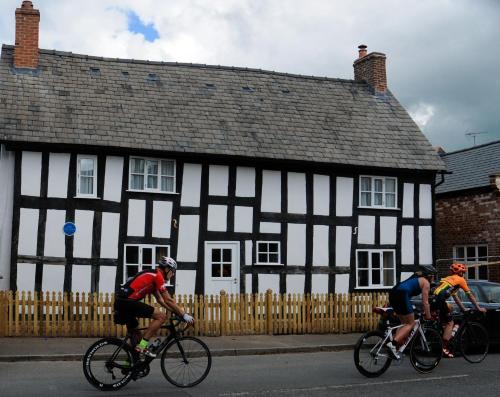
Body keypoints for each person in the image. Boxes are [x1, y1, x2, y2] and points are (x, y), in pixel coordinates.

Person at [114, 256, 194, 357]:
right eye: (173, 271)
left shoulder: (153, 276)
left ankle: (130, 364)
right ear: (167, 269)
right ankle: (142, 347)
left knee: (136, 336)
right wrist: (184, 314)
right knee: (161, 317)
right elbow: (168, 299)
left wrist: (175, 312)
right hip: (127, 302)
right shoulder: (157, 276)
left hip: (122, 302)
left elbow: (160, 300)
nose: (172, 275)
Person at [431, 262, 486, 358]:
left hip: (432, 299)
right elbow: (470, 295)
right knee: (450, 323)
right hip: (440, 299)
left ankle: (435, 335)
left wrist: (463, 309)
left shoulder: (449, 279)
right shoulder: (461, 280)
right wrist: (478, 308)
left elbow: (455, 297)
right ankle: (443, 348)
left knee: (443, 318)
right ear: (462, 273)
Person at [386, 264, 436, 359]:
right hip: (402, 294)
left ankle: (395, 347)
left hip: (393, 293)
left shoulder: (414, 278)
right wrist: (429, 317)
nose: (433, 278)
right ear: (429, 275)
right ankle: (392, 344)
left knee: (404, 323)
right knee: (410, 324)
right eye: (433, 276)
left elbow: (401, 287)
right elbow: (425, 302)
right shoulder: (426, 283)